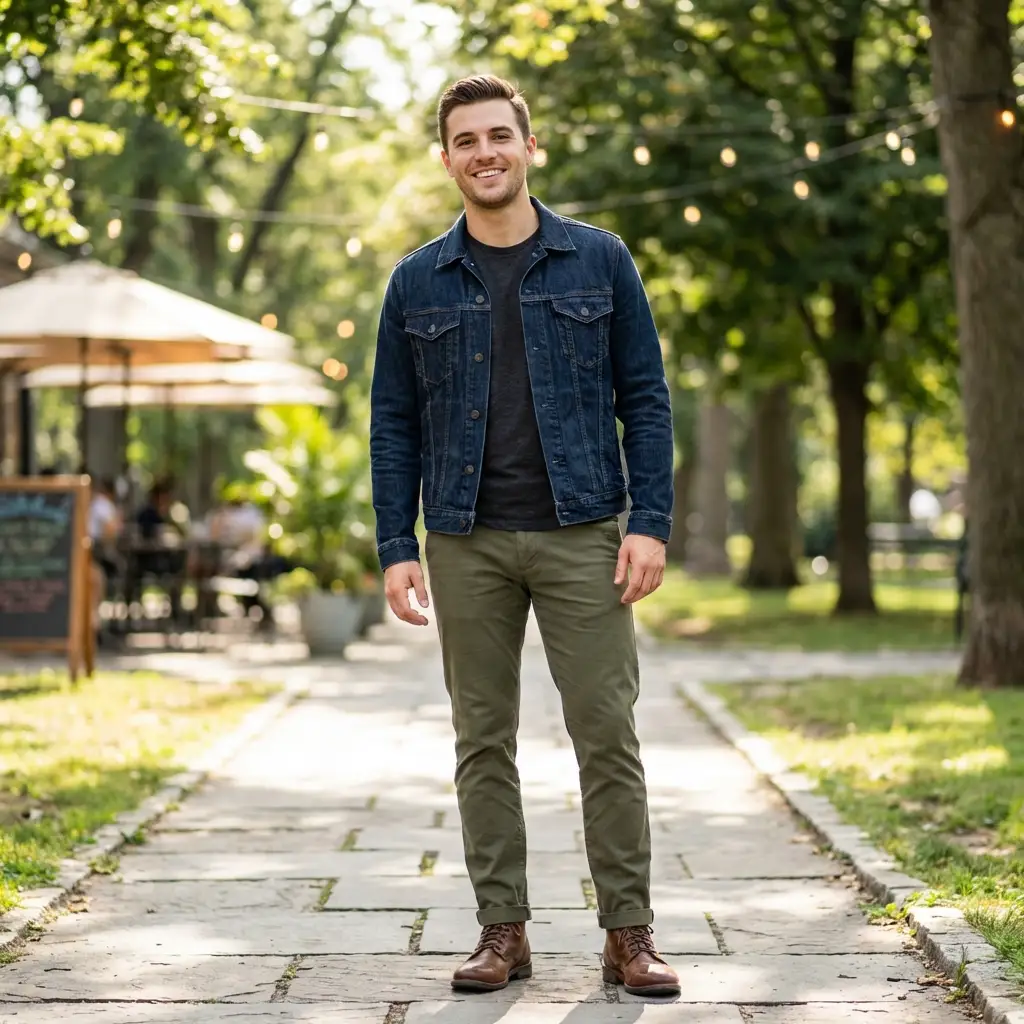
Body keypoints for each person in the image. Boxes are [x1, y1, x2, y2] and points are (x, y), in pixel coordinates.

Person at [369, 75, 678, 998]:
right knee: (482, 739)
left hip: (583, 531)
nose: (485, 153)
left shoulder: (600, 260)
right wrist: (396, 544)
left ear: (529, 146)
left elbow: (646, 399)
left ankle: (629, 933)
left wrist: (649, 523)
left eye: (499, 135)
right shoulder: (416, 280)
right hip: (464, 536)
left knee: (606, 734)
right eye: (466, 141)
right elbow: (393, 423)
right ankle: (502, 929)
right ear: (447, 160)